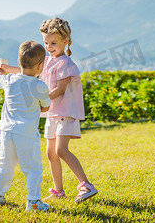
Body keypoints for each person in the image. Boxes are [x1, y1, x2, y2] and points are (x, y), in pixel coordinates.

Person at [0, 41, 51, 212]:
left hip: (6, 131)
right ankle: (33, 202)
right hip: (26, 134)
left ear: (18, 62)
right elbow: (46, 107)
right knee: (33, 168)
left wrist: (0, 70)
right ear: (40, 65)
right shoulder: (39, 86)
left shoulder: (9, 80)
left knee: (4, 164)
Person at [40, 17, 98, 203]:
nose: (49, 47)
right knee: (50, 153)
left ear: (66, 41)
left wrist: (40, 101)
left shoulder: (66, 64)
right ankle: (59, 191)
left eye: (53, 43)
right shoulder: (47, 62)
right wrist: (8, 69)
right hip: (52, 114)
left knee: (61, 150)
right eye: (46, 43)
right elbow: (27, 70)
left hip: (64, 113)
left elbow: (60, 90)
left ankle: (86, 185)